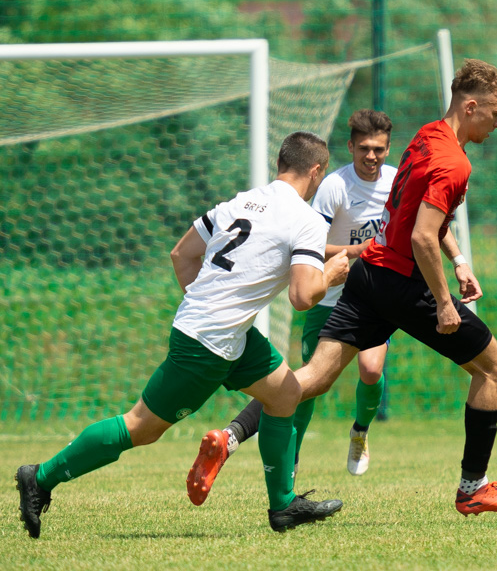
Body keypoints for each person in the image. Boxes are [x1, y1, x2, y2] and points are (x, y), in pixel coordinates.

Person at [14, 131, 351, 538]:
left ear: (280, 163)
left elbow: (182, 254)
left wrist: (208, 305)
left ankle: (283, 506)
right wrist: (330, 274)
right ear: (316, 171)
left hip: (224, 334)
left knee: (286, 394)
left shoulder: (239, 202)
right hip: (207, 345)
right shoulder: (307, 220)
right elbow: (303, 296)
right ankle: (40, 477)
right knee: (141, 426)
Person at [295, 58, 497, 516]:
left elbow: (411, 215)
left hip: (370, 273)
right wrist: (444, 303)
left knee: (315, 377)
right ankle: (472, 487)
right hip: (402, 280)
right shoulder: (453, 163)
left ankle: (230, 435)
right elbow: (423, 235)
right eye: (496, 112)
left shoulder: (427, 136)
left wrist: (459, 261)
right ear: (470, 106)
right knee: (493, 368)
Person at [186, 110, 397, 506]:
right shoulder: (334, 187)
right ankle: (284, 465)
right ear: (350, 148)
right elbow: (312, 247)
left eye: (380, 149)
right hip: (327, 299)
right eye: (365, 148)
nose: (372, 156)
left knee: (368, 370)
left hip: (372, 298)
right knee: (304, 388)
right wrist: (353, 252)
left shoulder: (395, 181)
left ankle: (359, 433)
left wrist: (455, 261)